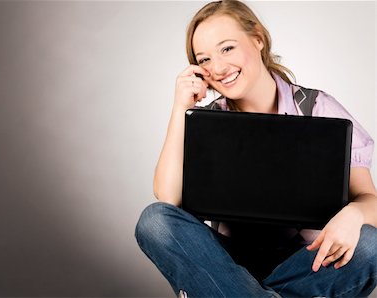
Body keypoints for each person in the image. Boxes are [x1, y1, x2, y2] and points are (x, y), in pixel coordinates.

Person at [135, 0, 377, 297]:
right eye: (205, 59)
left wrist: (354, 215)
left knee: (370, 243)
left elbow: (370, 201)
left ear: (258, 39)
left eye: (227, 48)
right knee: (154, 221)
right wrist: (180, 108)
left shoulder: (318, 108)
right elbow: (168, 198)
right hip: (230, 264)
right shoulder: (207, 122)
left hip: (310, 261)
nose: (219, 68)